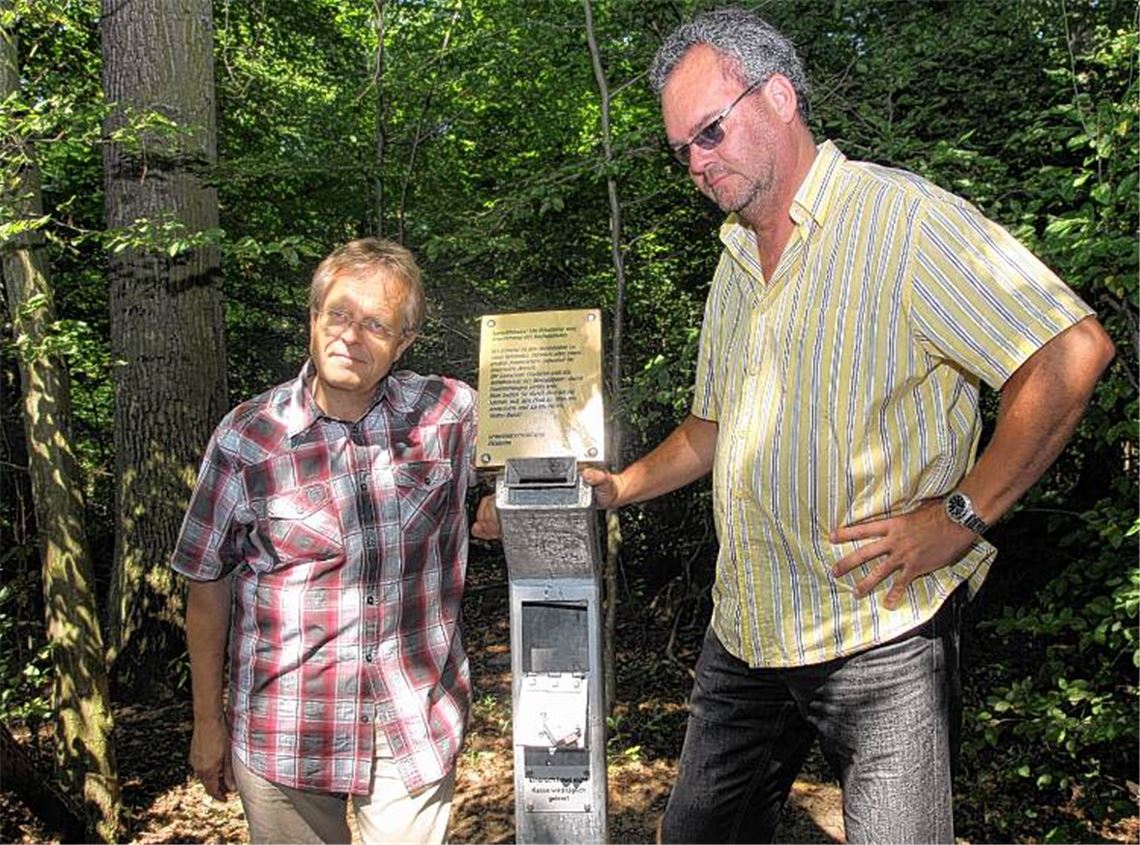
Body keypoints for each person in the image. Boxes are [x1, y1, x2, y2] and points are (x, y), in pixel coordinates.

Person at [578, 8, 1114, 844]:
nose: (698, 163)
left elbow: (1071, 352)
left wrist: (961, 515)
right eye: (682, 149)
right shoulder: (735, 260)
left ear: (779, 96)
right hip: (748, 624)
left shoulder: (905, 220)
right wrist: (619, 487)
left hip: (879, 631)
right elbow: (712, 427)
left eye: (711, 132)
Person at [172, 238, 479, 845]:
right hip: (285, 733)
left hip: (413, 722)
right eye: (338, 314)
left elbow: (533, 450)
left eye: (377, 324)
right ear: (313, 319)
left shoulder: (449, 414)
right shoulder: (248, 437)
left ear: (405, 341)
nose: (351, 336)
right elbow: (206, 587)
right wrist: (207, 722)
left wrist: (500, 497)